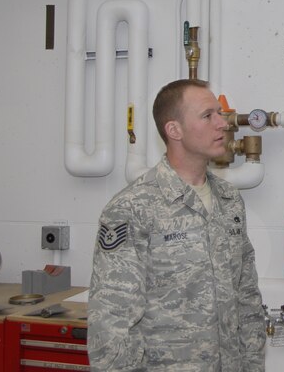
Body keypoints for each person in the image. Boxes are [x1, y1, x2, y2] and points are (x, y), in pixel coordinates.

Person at [88, 78, 266, 371]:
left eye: (220, 114)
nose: (222, 124)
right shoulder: (133, 208)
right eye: (208, 116)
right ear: (174, 130)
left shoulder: (229, 200)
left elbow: (246, 298)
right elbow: (112, 321)